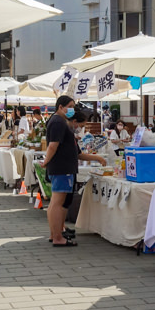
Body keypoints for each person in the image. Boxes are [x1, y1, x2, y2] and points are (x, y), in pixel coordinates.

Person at [41, 96, 105, 247]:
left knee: (56, 203)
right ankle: (57, 237)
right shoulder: (58, 122)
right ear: (60, 107)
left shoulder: (59, 122)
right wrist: (46, 161)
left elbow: (71, 151)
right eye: (70, 106)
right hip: (62, 168)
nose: (72, 109)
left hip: (62, 167)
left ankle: (54, 234)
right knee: (57, 203)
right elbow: (52, 146)